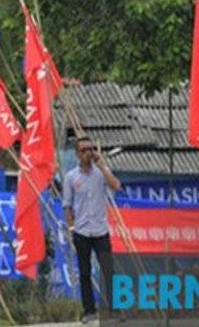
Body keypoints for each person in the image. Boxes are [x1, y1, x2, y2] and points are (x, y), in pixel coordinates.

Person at [63, 137, 121, 324]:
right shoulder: (71, 177)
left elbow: (116, 186)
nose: (88, 152)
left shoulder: (100, 173)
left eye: (90, 149)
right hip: (82, 231)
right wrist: (71, 227)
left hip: (100, 230)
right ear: (78, 154)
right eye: (84, 150)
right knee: (85, 272)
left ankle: (114, 309)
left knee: (108, 270)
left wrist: (102, 165)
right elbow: (67, 206)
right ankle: (89, 310)